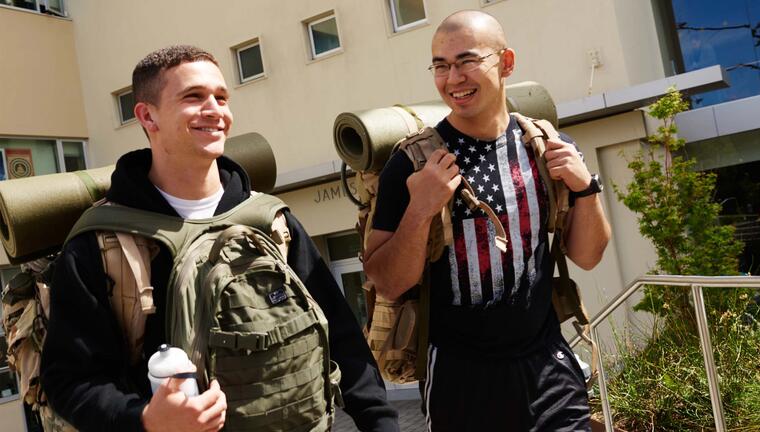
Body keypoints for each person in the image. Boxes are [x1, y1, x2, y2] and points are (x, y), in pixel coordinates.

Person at [40, 45, 399, 432]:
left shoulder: (271, 220)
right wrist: (143, 419)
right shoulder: (102, 243)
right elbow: (70, 380)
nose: (215, 110)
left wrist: (380, 422)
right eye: (194, 97)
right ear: (147, 115)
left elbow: (340, 334)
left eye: (222, 97)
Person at [364, 11, 611, 432]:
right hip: (459, 378)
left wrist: (586, 187)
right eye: (440, 66)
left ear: (507, 62)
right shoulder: (409, 165)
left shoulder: (547, 145)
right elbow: (386, 281)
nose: (453, 78)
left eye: (466, 61)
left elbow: (588, 256)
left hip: (547, 365)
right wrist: (420, 208)